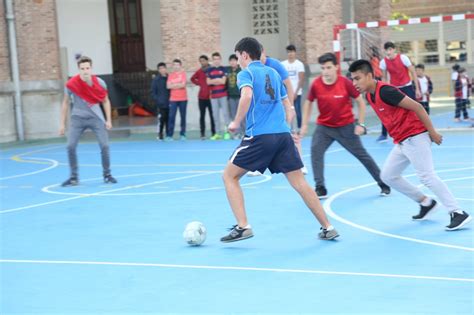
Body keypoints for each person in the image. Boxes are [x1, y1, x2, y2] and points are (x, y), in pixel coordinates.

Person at [220, 37, 339, 243]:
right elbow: (287, 104)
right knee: (300, 182)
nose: (237, 60)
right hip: (283, 136)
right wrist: (284, 121)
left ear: (244, 55)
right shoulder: (274, 73)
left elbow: (246, 96)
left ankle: (243, 226)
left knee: (229, 177)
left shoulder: (245, 73)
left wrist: (236, 122)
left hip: (260, 136)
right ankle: (328, 227)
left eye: (238, 56)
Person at [349, 59, 471, 231]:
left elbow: (418, 107)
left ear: (369, 76)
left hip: (415, 136)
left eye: (357, 78)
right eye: (352, 79)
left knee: (427, 176)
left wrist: (432, 132)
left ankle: (458, 212)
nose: (354, 83)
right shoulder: (370, 95)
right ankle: (426, 202)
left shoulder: (386, 91)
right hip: (402, 141)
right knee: (388, 176)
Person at [300, 53, 390, 199]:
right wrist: (304, 124)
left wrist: (360, 124)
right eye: (323, 68)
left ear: (336, 67)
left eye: (329, 67)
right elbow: (308, 103)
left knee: (362, 156)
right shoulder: (316, 84)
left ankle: (383, 183)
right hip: (324, 128)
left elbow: (360, 102)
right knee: (315, 152)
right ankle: (320, 187)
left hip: (345, 127)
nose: (325, 71)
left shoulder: (345, 83)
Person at [59, 56, 117, 186]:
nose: (85, 71)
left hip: (96, 118)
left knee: (105, 146)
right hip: (77, 119)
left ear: (91, 68)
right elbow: (65, 103)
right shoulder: (71, 84)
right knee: (70, 146)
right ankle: (74, 177)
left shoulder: (100, 83)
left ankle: (107, 174)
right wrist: (62, 124)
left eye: (87, 68)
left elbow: (106, 101)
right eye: (82, 68)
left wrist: (108, 120)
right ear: (78, 69)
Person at [376, 41, 421, 143]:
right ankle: (384, 134)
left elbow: (413, 72)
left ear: (394, 49)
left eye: (390, 50)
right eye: (386, 50)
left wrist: (417, 89)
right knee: (387, 110)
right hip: (394, 89)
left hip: (407, 87)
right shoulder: (383, 62)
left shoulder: (403, 58)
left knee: (413, 109)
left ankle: (418, 131)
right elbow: (383, 77)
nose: (388, 52)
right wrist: (382, 91)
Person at [191, 55, 216, 139]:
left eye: (203, 60)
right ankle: (202, 134)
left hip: (211, 96)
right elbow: (192, 78)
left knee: (212, 115)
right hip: (201, 97)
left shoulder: (212, 69)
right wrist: (200, 84)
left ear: (207, 61)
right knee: (202, 115)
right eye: (200, 61)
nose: (202, 62)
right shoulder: (199, 71)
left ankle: (214, 133)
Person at [207, 52, 230, 140]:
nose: (216, 61)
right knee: (215, 115)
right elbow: (208, 82)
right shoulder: (209, 70)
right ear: (212, 60)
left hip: (223, 95)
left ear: (220, 60)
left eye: (218, 59)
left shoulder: (224, 69)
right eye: (214, 59)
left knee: (225, 115)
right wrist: (218, 79)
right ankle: (217, 133)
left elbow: (223, 82)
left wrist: (214, 80)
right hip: (213, 96)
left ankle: (227, 133)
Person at [281, 44, 305, 129]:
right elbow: (281, 79)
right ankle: (289, 128)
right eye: (288, 52)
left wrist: (295, 92)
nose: (290, 54)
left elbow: (301, 79)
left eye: (292, 51)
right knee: (287, 110)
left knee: (297, 111)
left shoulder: (299, 64)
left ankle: (299, 128)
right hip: (286, 94)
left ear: (295, 52)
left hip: (297, 93)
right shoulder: (283, 64)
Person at [166, 59, 188, 140]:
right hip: (173, 99)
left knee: (183, 117)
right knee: (171, 117)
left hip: (183, 99)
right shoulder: (170, 75)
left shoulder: (183, 74)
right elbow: (168, 86)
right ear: (173, 66)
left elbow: (183, 85)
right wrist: (178, 85)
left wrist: (174, 85)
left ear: (180, 66)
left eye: (177, 65)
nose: (176, 66)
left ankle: (183, 134)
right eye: (174, 65)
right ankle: (170, 135)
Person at [151, 62, 170, 140]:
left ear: (166, 68)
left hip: (170, 102)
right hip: (161, 104)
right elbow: (153, 92)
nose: (162, 70)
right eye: (160, 69)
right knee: (161, 119)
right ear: (158, 70)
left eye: (163, 68)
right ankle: (160, 134)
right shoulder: (156, 80)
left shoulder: (170, 78)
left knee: (169, 119)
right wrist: (158, 100)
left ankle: (169, 134)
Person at [226, 54, 242, 137]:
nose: (232, 62)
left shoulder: (241, 70)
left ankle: (244, 133)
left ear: (237, 61)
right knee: (233, 115)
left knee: (242, 115)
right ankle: (235, 133)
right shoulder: (227, 70)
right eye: (231, 61)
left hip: (240, 97)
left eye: (234, 60)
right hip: (231, 96)